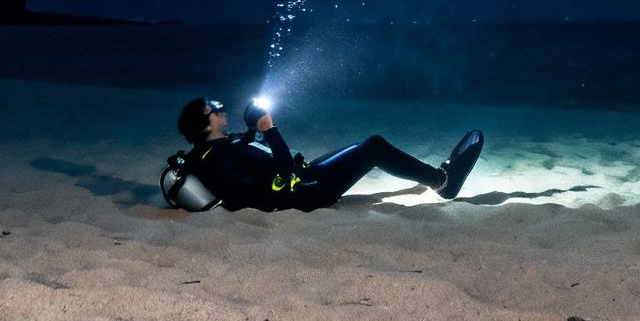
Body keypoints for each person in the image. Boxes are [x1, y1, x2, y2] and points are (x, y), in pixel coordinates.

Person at [174, 97, 484, 211]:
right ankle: (445, 182)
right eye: (211, 109)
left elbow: (253, 158)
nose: (218, 107)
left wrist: (252, 129)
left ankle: (435, 178)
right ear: (205, 124)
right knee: (373, 147)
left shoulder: (218, 148)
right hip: (304, 194)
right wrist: (270, 128)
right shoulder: (218, 157)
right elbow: (278, 173)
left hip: (305, 179)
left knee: (368, 146)